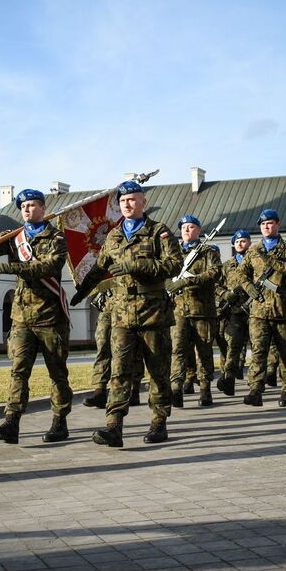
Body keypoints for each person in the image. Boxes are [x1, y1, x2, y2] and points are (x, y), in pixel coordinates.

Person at [70, 181, 182, 446]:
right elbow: (100, 267)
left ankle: (159, 422)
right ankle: (114, 426)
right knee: (119, 372)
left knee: (158, 371)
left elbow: (174, 265)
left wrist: (136, 264)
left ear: (143, 201)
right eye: (123, 201)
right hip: (121, 316)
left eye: (132, 200)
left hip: (152, 315)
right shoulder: (114, 235)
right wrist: (84, 287)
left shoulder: (159, 232)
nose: (128, 205)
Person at [0, 189, 73, 445]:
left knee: (57, 373)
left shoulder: (56, 237)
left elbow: (49, 266)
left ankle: (60, 421)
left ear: (43, 209)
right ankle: (12, 422)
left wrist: (11, 267)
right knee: (18, 371)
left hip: (49, 317)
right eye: (23, 205)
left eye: (33, 205)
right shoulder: (15, 236)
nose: (27, 209)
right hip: (22, 317)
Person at [237, 209, 286, 407]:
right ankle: (256, 390)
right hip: (259, 311)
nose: (266, 227)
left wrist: (271, 261)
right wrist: (248, 287)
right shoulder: (254, 250)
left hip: (283, 311)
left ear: (278, 224)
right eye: (263, 224)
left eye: (270, 223)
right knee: (258, 351)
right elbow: (240, 273)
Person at [168, 215, 222, 407]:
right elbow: (166, 271)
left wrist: (188, 281)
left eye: (191, 227)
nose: (187, 230)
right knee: (178, 350)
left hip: (203, 310)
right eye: (184, 228)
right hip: (178, 311)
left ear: (198, 230)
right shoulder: (174, 253)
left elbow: (214, 273)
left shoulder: (208, 251)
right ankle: (176, 388)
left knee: (204, 351)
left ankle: (205, 389)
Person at [216, 230, 254, 396]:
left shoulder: (256, 262)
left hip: (254, 310)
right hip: (235, 312)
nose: (240, 243)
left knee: (258, 345)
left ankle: (256, 381)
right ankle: (229, 378)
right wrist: (225, 295)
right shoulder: (227, 265)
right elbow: (216, 285)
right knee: (233, 346)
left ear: (249, 243)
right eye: (237, 241)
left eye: (244, 240)